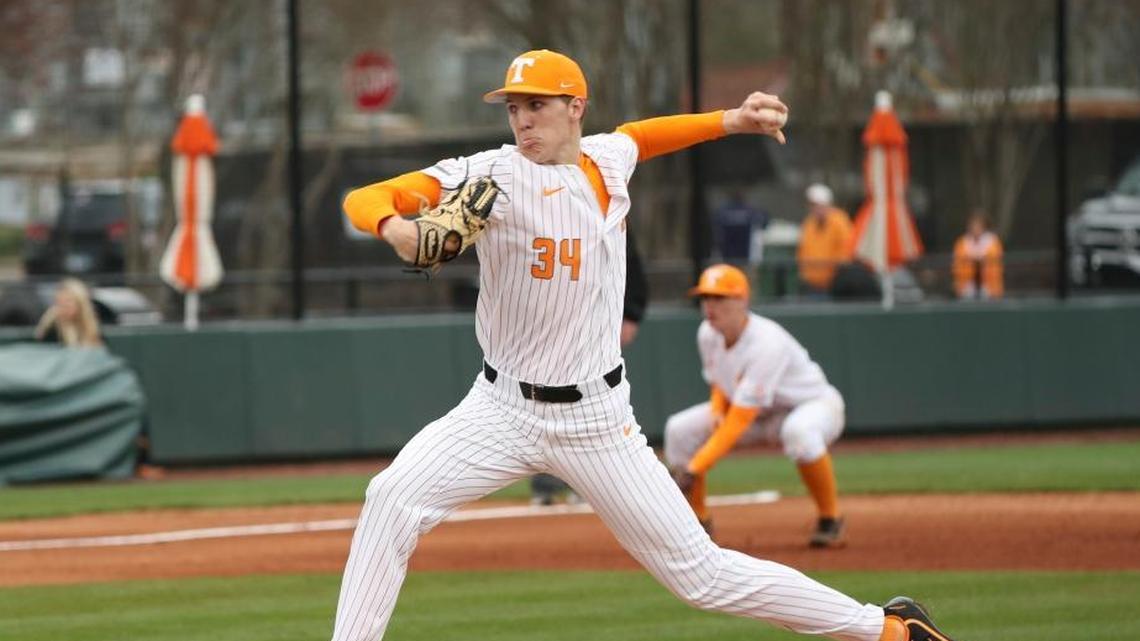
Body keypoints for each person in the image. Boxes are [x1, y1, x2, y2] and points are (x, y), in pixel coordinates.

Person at [335, 49, 958, 641]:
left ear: (576, 106)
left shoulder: (608, 157)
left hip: (597, 419)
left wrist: (731, 120)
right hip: (499, 409)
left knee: (702, 576)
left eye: (538, 105)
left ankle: (887, 629)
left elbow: (647, 134)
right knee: (390, 498)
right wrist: (395, 228)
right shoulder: (491, 174)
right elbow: (366, 197)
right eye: (514, 107)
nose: (523, 119)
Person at [664, 264, 846, 547]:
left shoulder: (766, 342)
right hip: (758, 413)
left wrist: (695, 467)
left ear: (743, 300)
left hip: (810, 405)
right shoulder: (707, 334)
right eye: (705, 298)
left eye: (719, 298)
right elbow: (719, 381)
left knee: (799, 431)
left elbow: (739, 420)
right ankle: (699, 522)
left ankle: (830, 518)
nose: (710, 306)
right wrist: (715, 409)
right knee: (679, 429)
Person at [532, 227, 649, 505]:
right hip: (546, 325)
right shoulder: (539, 209)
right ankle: (547, 480)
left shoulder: (603, 206)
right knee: (539, 398)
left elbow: (629, 261)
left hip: (595, 326)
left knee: (592, 402)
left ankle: (590, 481)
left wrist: (630, 312)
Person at [796, 183, 853, 296]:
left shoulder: (840, 221)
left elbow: (846, 250)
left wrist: (837, 272)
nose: (814, 208)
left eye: (817, 204)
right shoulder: (809, 223)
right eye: (812, 205)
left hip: (834, 283)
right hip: (811, 283)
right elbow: (803, 250)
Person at [33, 278, 104, 348]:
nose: (64, 307)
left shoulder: (97, 322)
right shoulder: (52, 326)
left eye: (68, 301)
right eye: (59, 302)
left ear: (80, 303)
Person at [952, 210, 1004, 299]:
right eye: (972, 225)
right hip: (966, 289)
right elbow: (957, 267)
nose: (975, 228)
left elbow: (996, 266)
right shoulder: (961, 242)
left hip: (990, 289)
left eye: (978, 225)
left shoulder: (993, 242)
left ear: (984, 226)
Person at [712, 189, 769, 265]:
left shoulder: (722, 211)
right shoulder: (750, 211)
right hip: (744, 257)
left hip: (728, 257)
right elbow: (764, 222)